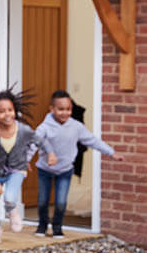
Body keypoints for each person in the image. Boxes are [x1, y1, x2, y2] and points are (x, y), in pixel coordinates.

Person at [31, 90, 125, 239]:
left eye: (68, 109)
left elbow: (92, 141)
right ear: (52, 109)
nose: (65, 113)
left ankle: (57, 227)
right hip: (45, 169)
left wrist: (111, 152)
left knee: (61, 202)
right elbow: (32, 145)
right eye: (61, 109)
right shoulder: (44, 128)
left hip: (65, 170)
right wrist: (23, 163)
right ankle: (42, 225)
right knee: (43, 200)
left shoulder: (76, 126)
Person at [0, 88, 55, 245]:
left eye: (10, 110)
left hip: (17, 170)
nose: (7, 114)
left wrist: (50, 153)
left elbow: (41, 141)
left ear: (15, 111)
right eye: (2, 111)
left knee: (10, 198)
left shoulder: (23, 130)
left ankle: (12, 211)